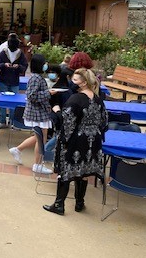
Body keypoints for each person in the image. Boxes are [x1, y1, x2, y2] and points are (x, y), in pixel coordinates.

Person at [43, 68, 108, 215]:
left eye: (75, 80)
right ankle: (79, 203)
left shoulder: (75, 99)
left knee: (66, 171)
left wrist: (57, 110)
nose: (72, 82)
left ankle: (59, 204)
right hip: (93, 140)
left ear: (84, 83)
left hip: (76, 139)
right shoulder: (98, 99)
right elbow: (104, 122)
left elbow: (67, 122)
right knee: (84, 172)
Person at [8, 54, 54, 175]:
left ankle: (18, 150)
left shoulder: (37, 77)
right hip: (37, 112)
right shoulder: (36, 78)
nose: (46, 65)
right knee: (41, 138)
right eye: (44, 63)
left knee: (39, 136)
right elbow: (31, 95)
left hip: (39, 111)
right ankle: (37, 164)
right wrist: (48, 93)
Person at [0, 36, 28, 127]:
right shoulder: (3, 53)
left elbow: (25, 66)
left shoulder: (20, 54)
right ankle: (2, 121)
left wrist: (19, 67)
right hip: (4, 79)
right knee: (2, 101)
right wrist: (3, 65)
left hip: (14, 81)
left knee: (15, 102)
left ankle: (13, 121)